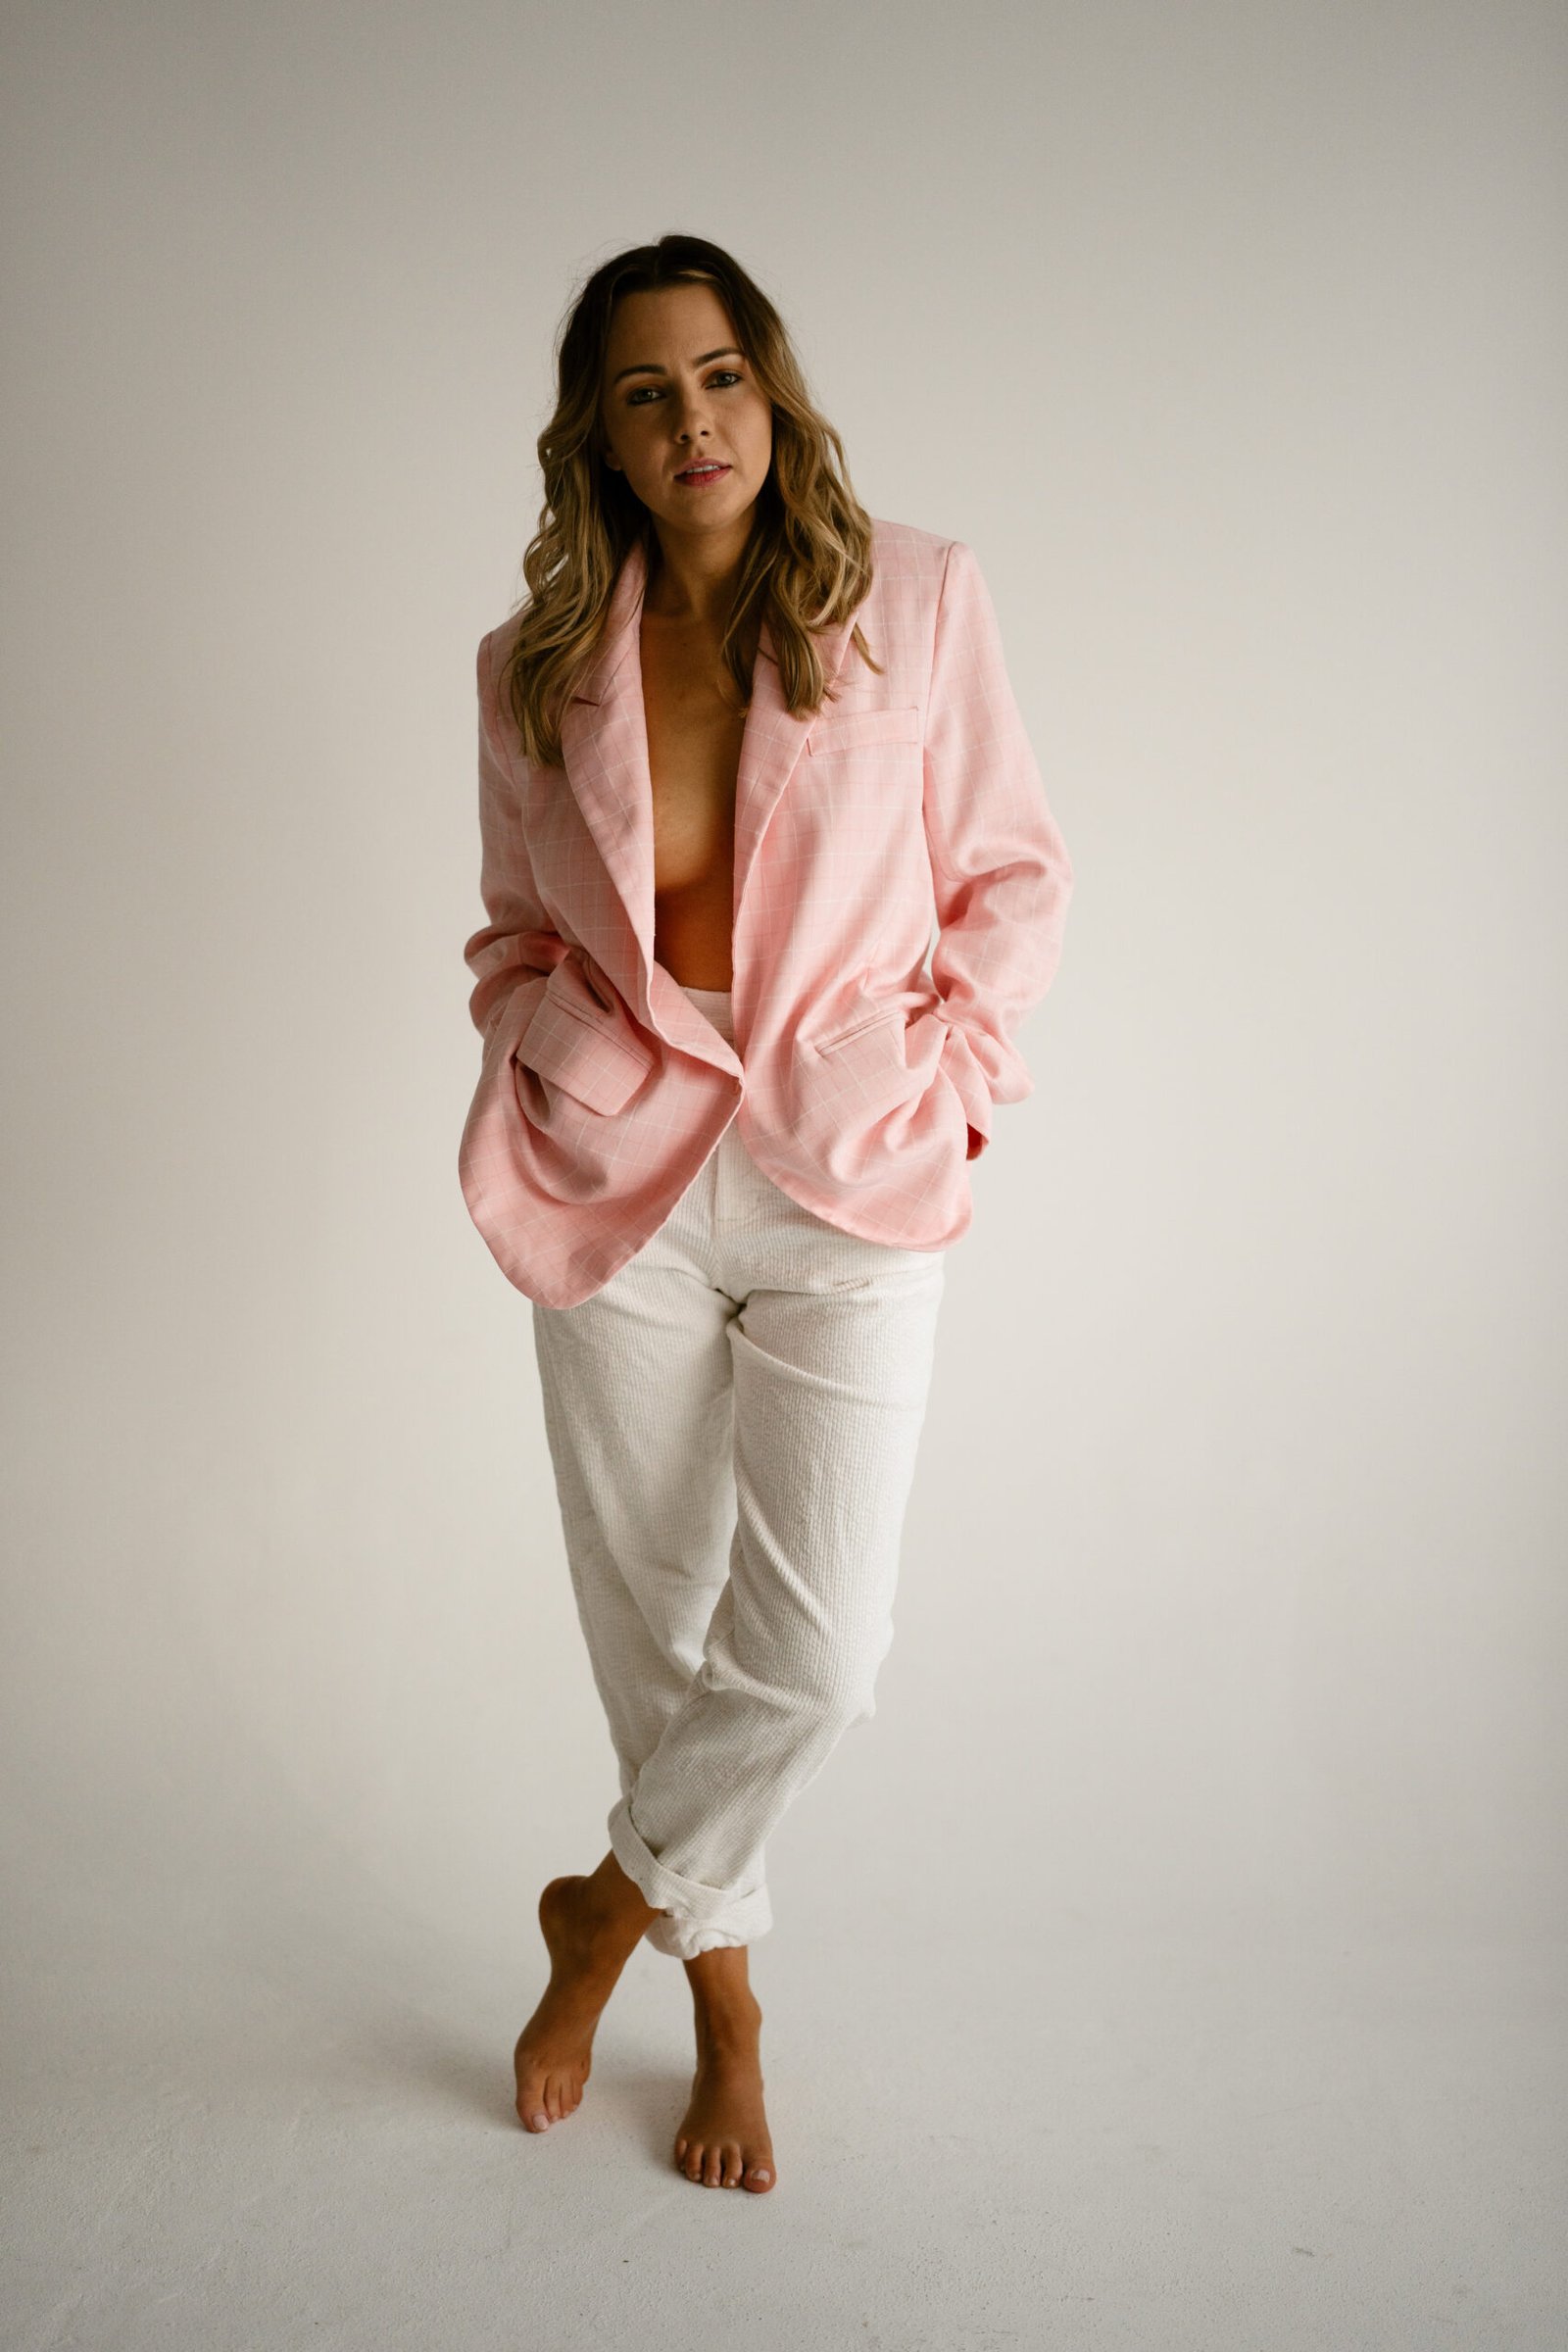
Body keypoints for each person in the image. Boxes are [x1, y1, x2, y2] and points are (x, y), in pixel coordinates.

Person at [459, 234, 1074, 2194]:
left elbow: (1011, 879)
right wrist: (553, 1054)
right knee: (653, 1626)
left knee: (817, 1656)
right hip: (623, 1166)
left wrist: (945, 1083)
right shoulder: (534, 663)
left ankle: (603, 1912)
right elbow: (514, 932)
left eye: (719, 374)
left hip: (847, 1158)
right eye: (644, 392)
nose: (693, 420)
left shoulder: (914, 595)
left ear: (769, 386)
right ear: (600, 438)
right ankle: (724, 2009)